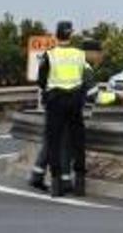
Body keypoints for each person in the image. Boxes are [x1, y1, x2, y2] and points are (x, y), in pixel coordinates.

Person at [36, 21, 92, 197]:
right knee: (78, 141)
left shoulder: (50, 55)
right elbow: (85, 78)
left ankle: (56, 184)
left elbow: (41, 80)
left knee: (54, 141)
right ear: (71, 35)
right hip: (75, 101)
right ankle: (80, 184)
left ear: (56, 35)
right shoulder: (79, 54)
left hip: (56, 101)